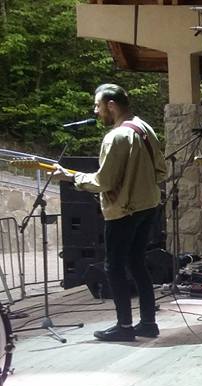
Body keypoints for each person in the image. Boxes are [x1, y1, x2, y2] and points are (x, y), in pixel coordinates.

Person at [55, 83, 167, 342]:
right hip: (148, 206)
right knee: (137, 263)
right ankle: (148, 323)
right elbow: (161, 171)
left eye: (98, 105)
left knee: (114, 266)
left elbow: (103, 181)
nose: (96, 111)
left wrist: (71, 177)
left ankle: (124, 327)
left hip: (124, 211)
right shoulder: (144, 127)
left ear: (111, 105)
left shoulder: (115, 137)